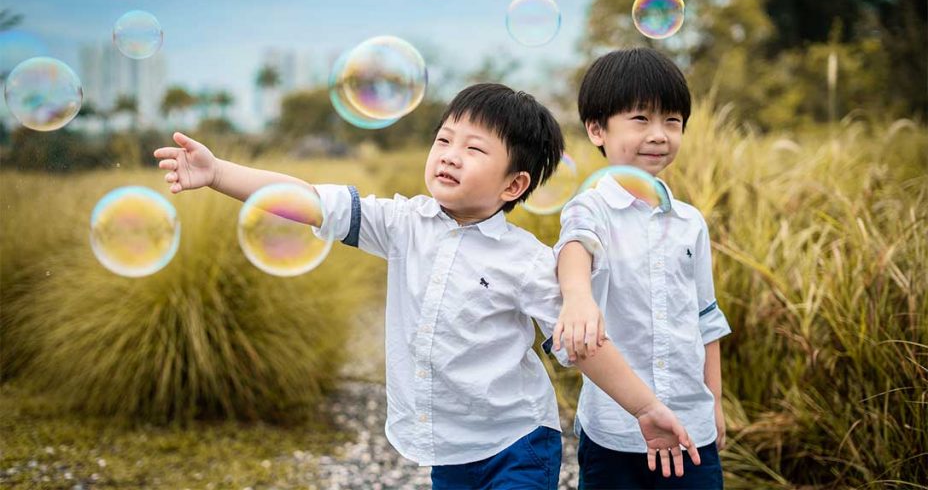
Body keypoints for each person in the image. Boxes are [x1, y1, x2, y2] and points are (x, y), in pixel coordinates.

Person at [155, 82, 701, 489]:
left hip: (518, 442)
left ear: (515, 184)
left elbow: (583, 345)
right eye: (444, 139)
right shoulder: (401, 224)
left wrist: (644, 408)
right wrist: (218, 172)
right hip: (448, 448)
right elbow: (307, 199)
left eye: (474, 149)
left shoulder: (527, 261)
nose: (449, 154)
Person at [553, 49, 730, 489]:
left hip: (692, 429)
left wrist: (715, 405)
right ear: (597, 129)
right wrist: (577, 297)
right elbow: (575, 245)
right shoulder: (590, 209)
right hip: (615, 433)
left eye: (672, 121)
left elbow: (706, 320)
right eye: (640, 119)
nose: (658, 134)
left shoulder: (690, 222)